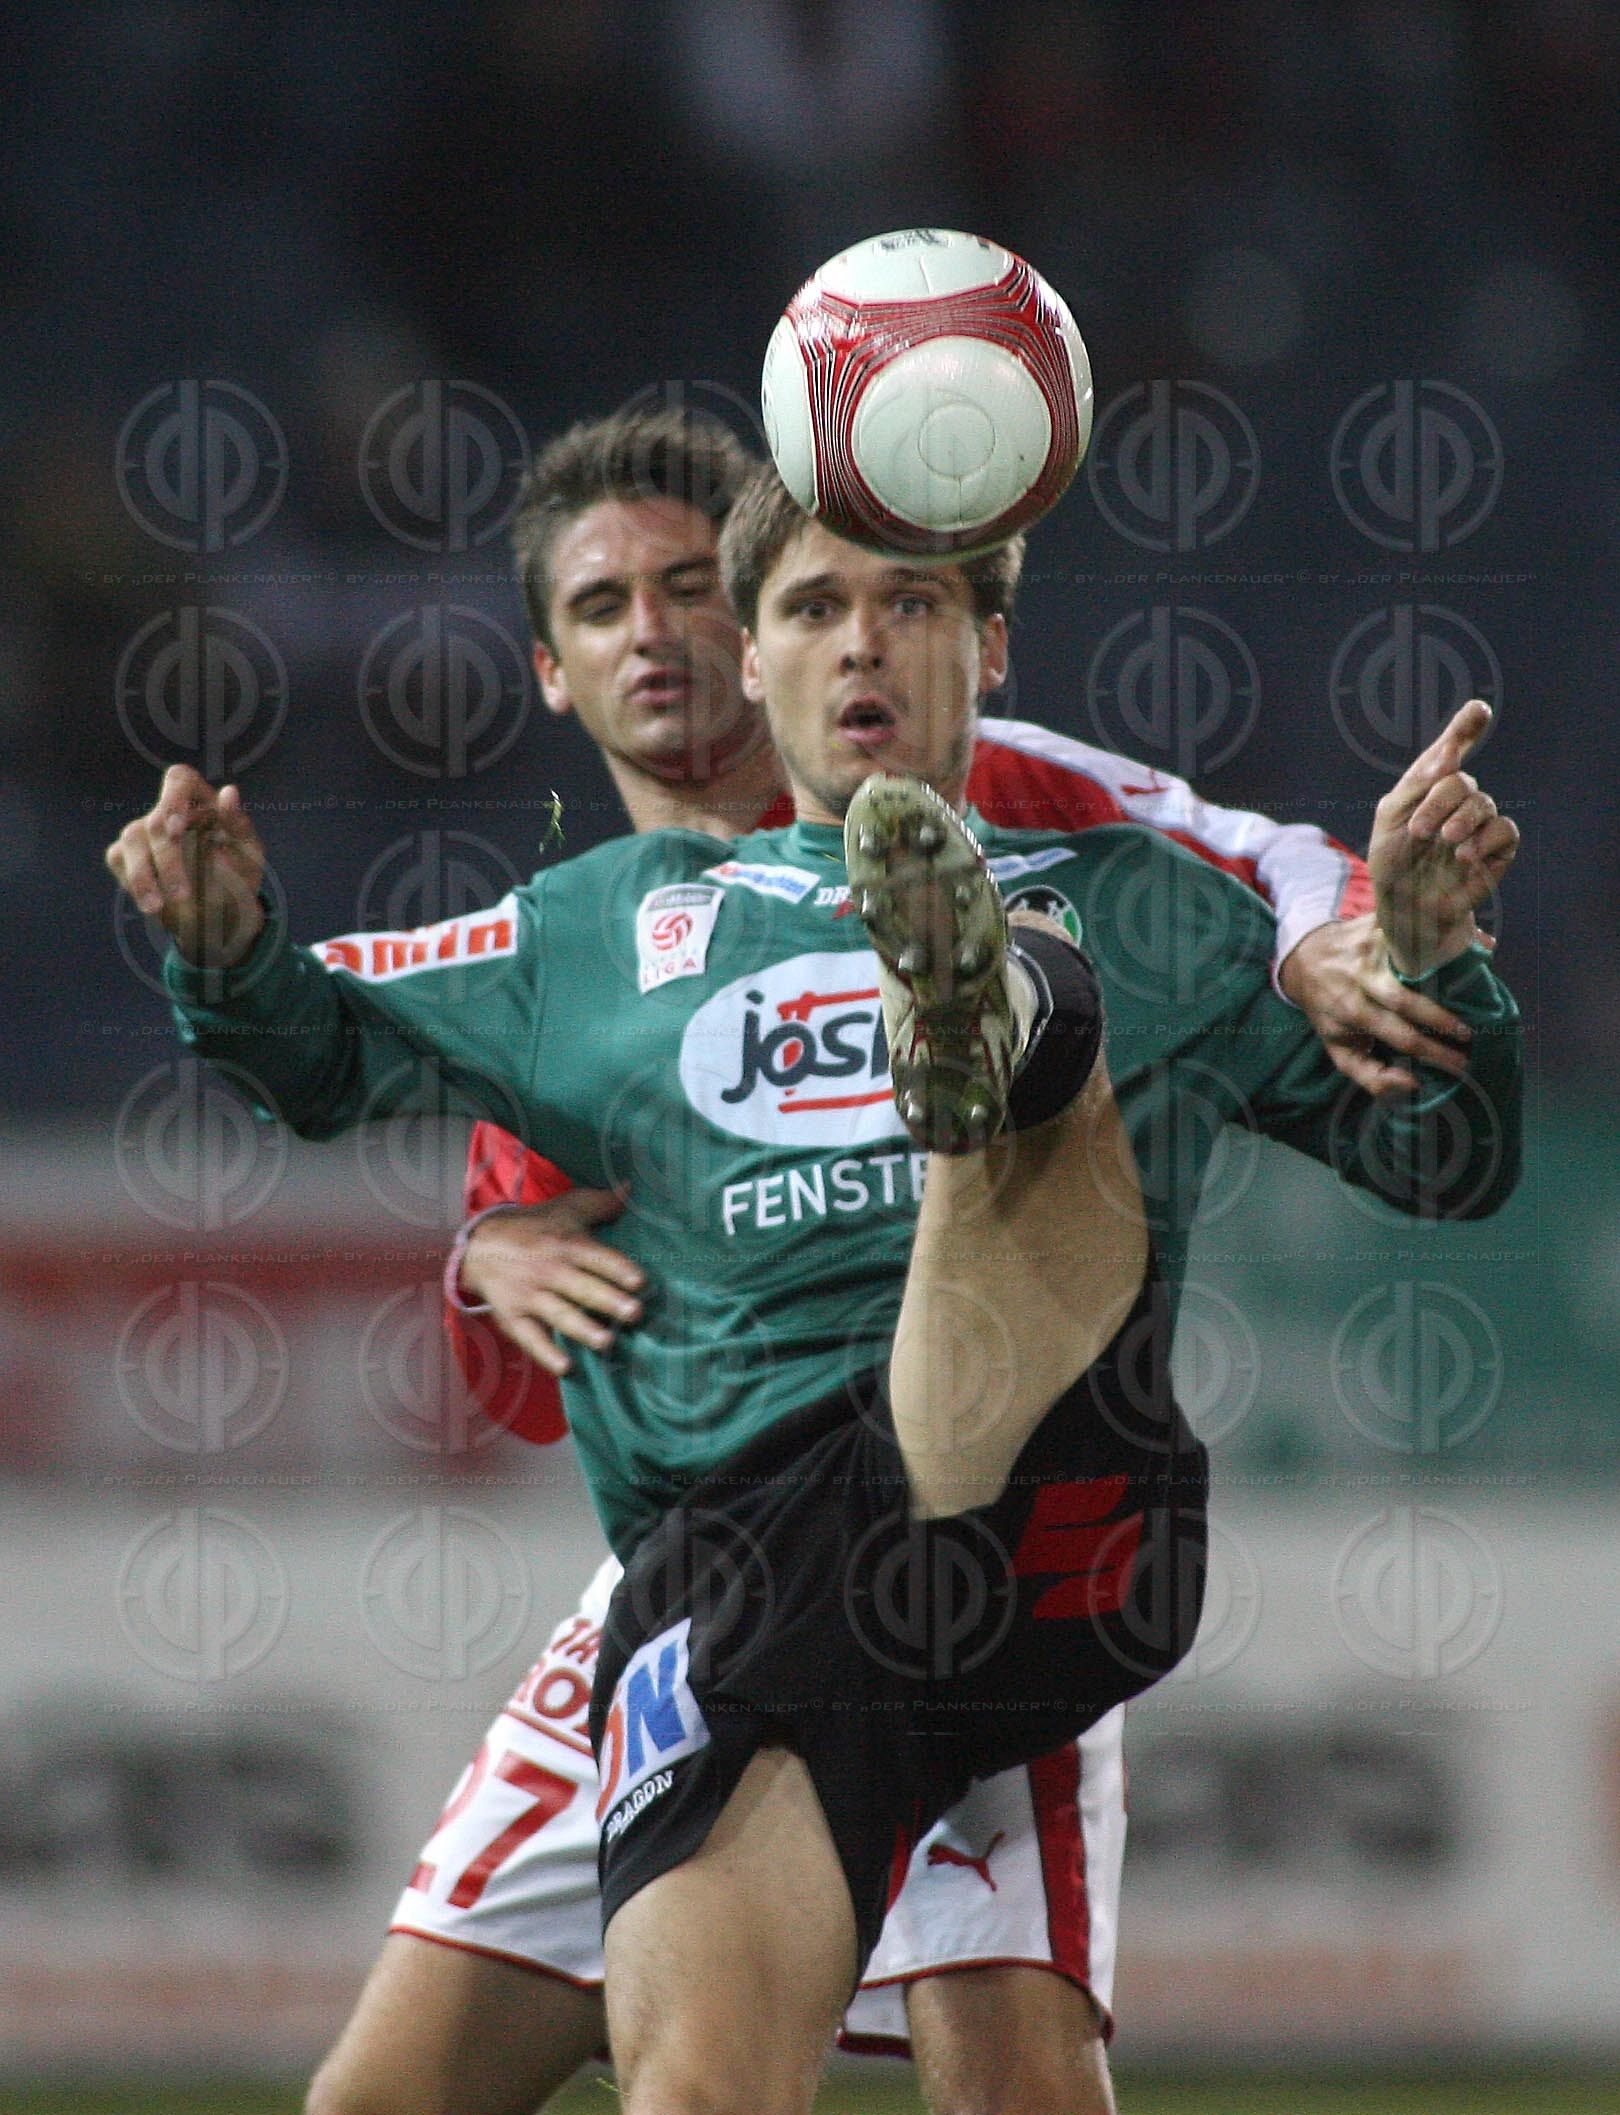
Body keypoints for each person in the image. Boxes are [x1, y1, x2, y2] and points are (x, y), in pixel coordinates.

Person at [110, 455, 1520, 2115]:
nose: (863, 646)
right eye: (815, 609)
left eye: (912, 604)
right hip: (753, 1595)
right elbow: (324, 1045)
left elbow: (1444, 1158)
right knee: (700, 2093)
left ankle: (984, 1031)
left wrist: (1439, 964)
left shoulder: (1143, 907)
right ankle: (975, 1027)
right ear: (754, 661)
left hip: (1045, 1539)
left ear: (989, 652)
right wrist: (224, 955)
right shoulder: (595, 932)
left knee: (1045, 1042)